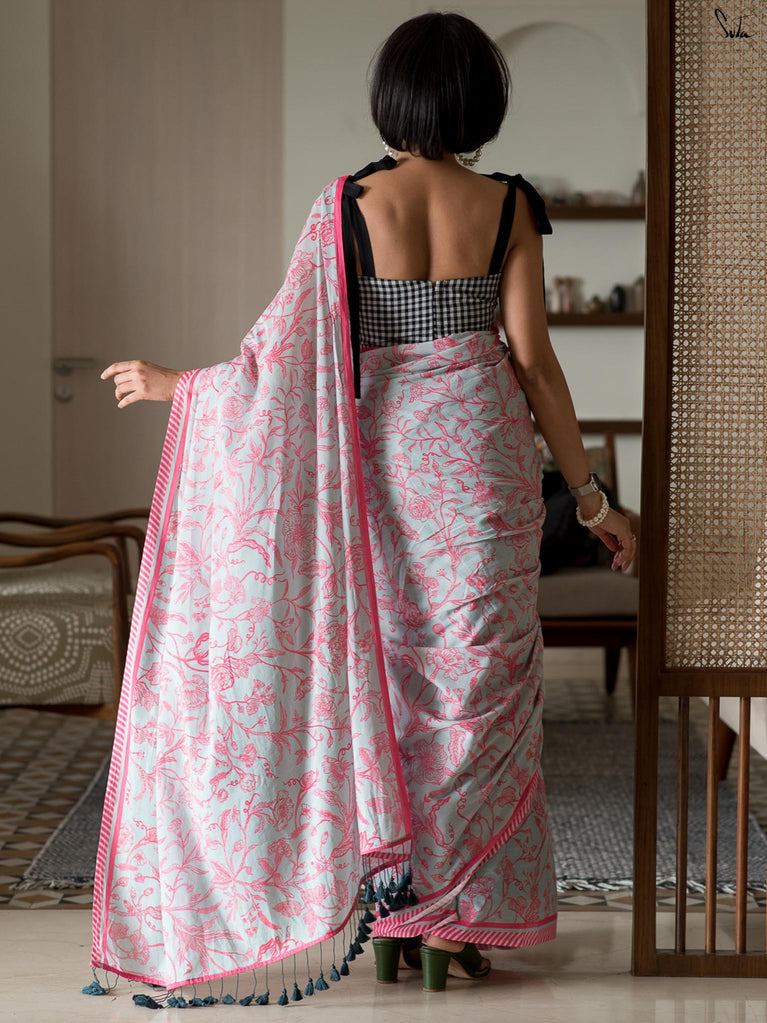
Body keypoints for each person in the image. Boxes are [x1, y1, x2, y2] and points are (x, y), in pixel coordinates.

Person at [93, 11, 635, 1005]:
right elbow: (534, 365)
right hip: (480, 471)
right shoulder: (509, 205)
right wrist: (594, 500)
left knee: (393, 693)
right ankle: (450, 927)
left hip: (378, 470)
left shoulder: (345, 204)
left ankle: (394, 916)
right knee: (477, 693)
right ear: (481, 101)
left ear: (391, 98)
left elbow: (279, 358)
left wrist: (184, 387)